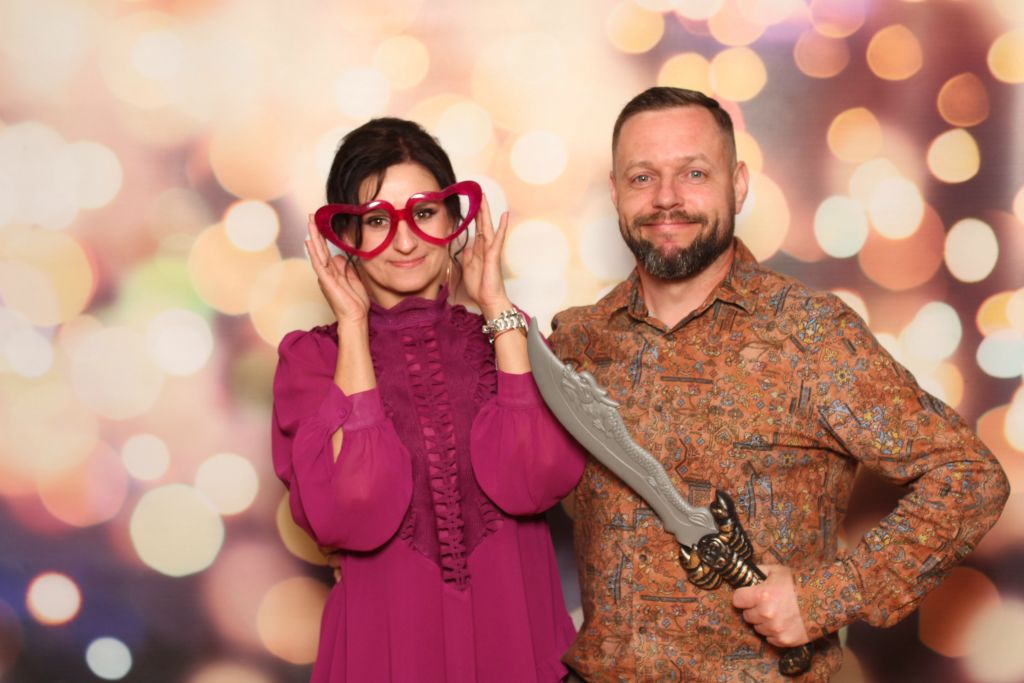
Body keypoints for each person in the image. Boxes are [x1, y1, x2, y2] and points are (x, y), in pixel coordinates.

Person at [547, 87, 1010, 682]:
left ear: (738, 185)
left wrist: (823, 598)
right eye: (642, 177)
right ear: (615, 193)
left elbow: (969, 477)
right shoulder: (577, 343)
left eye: (694, 173)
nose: (666, 197)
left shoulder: (811, 333)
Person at [271, 117, 586, 682]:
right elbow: (353, 510)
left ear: (452, 218)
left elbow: (535, 480)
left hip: (518, 650)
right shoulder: (312, 362)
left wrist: (495, 304)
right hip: (385, 658)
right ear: (345, 234)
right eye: (376, 220)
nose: (405, 241)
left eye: (423, 213)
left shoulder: (507, 338)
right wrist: (353, 325)